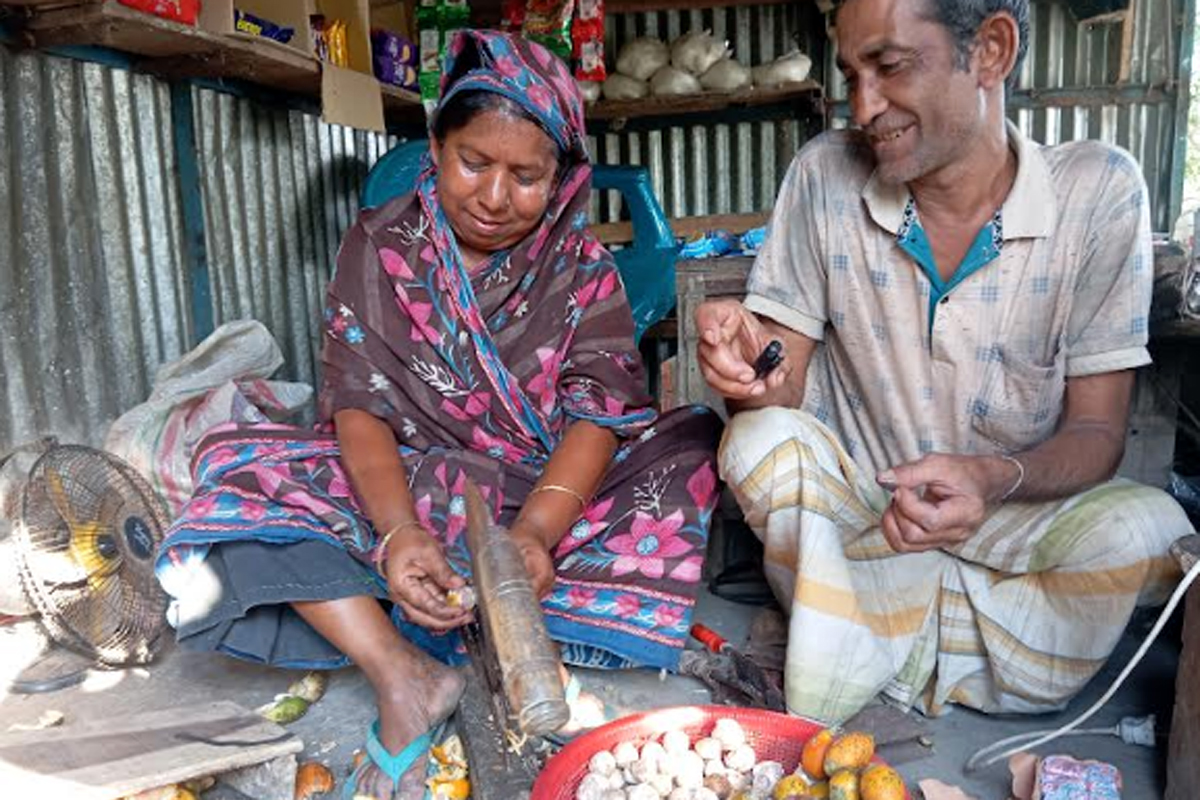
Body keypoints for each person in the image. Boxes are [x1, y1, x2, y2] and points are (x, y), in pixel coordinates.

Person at [156, 30, 721, 800]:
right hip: (411, 483)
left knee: (690, 443)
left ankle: (471, 606)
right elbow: (357, 403)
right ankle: (404, 669)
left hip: (542, 492)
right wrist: (396, 533)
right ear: (435, 146)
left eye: (526, 177)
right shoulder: (380, 244)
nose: (494, 198)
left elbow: (599, 416)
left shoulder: (583, 269)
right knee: (231, 475)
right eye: (474, 162)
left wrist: (535, 535)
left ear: (562, 179)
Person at [697, 0, 1193, 725]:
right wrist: (748, 378)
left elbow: (1098, 433)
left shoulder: (1097, 193)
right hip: (867, 511)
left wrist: (993, 480)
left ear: (990, 50)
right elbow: (780, 389)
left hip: (1008, 518)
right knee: (755, 443)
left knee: (1145, 529)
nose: (863, 106)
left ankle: (854, 636)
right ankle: (959, 649)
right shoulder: (824, 175)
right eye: (851, 75)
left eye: (891, 67)